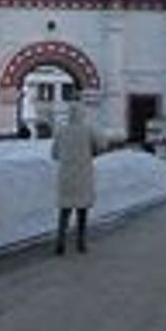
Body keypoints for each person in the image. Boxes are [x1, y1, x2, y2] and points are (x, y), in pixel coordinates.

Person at [51, 101, 97, 254]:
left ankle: (60, 242)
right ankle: (81, 243)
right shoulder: (88, 130)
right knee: (82, 212)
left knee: (64, 211)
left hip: (66, 176)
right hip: (83, 175)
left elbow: (54, 154)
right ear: (82, 114)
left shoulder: (61, 131)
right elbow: (100, 146)